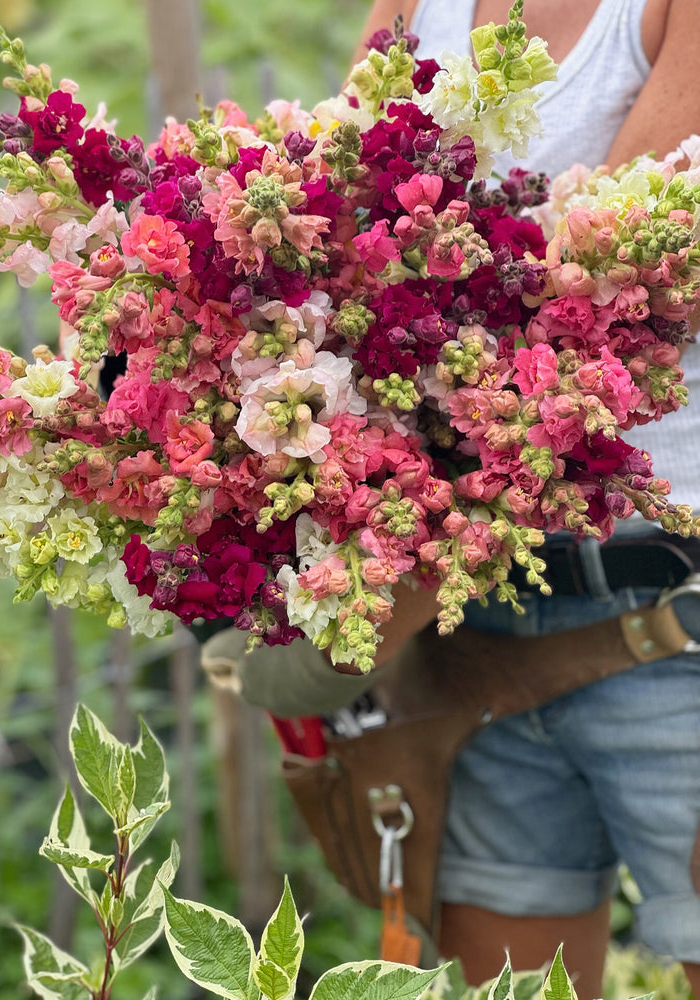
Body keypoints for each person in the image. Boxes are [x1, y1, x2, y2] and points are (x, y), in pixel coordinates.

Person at [203, 3, 700, 996]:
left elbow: (612, 295)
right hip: (473, 641)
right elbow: (339, 231)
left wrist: (396, 573)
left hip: (666, 624)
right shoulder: (414, 7)